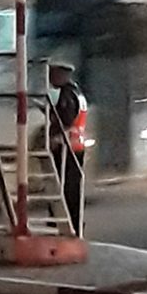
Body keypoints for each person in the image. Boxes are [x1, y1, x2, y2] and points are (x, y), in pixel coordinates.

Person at [48, 63, 87, 235]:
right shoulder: (77, 93)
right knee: (73, 189)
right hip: (75, 146)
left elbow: (67, 121)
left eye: (52, 74)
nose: (49, 78)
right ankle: (74, 224)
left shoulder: (66, 96)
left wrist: (55, 138)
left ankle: (67, 224)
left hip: (66, 148)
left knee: (64, 189)